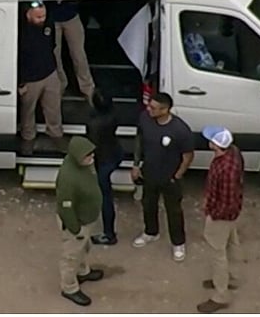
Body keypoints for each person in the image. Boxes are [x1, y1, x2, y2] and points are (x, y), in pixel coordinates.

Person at [130, 92, 194, 262]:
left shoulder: (180, 130)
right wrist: (136, 164)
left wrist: (177, 175)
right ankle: (151, 232)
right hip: (150, 173)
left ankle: (178, 243)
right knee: (148, 205)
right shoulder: (145, 119)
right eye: (149, 106)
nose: (148, 109)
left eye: (153, 108)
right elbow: (139, 140)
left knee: (173, 211)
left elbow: (187, 156)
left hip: (170, 178)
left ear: (165, 110)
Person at [197, 126, 245, 314]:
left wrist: (212, 213)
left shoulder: (224, 168)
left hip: (222, 215)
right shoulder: (233, 154)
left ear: (215, 144)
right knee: (231, 243)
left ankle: (221, 294)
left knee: (217, 251)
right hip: (231, 214)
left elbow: (226, 199)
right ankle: (230, 278)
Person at [55, 136, 104, 307]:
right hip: (77, 223)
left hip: (87, 219)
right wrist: (74, 229)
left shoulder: (85, 164)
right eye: (88, 155)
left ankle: (83, 272)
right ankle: (69, 288)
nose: (92, 158)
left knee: (84, 247)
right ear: (78, 156)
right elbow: (65, 207)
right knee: (71, 256)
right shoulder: (69, 178)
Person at [18, 0, 64, 154]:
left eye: (43, 15)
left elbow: (53, 46)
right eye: (38, 17)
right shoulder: (20, 31)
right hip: (29, 79)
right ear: (28, 15)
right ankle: (28, 139)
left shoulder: (48, 25)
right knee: (28, 112)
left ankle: (56, 135)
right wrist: (20, 82)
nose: (42, 19)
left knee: (54, 108)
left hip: (50, 73)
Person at [44, 0, 95, 100]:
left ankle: (87, 88)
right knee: (55, 54)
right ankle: (61, 85)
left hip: (72, 17)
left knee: (78, 54)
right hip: (53, 19)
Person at [85, 89, 123, 245]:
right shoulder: (113, 116)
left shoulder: (93, 123)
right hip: (115, 152)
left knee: (105, 197)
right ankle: (108, 232)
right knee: (105, 194)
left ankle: (109, 234)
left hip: (103, 160)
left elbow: (93, 145)